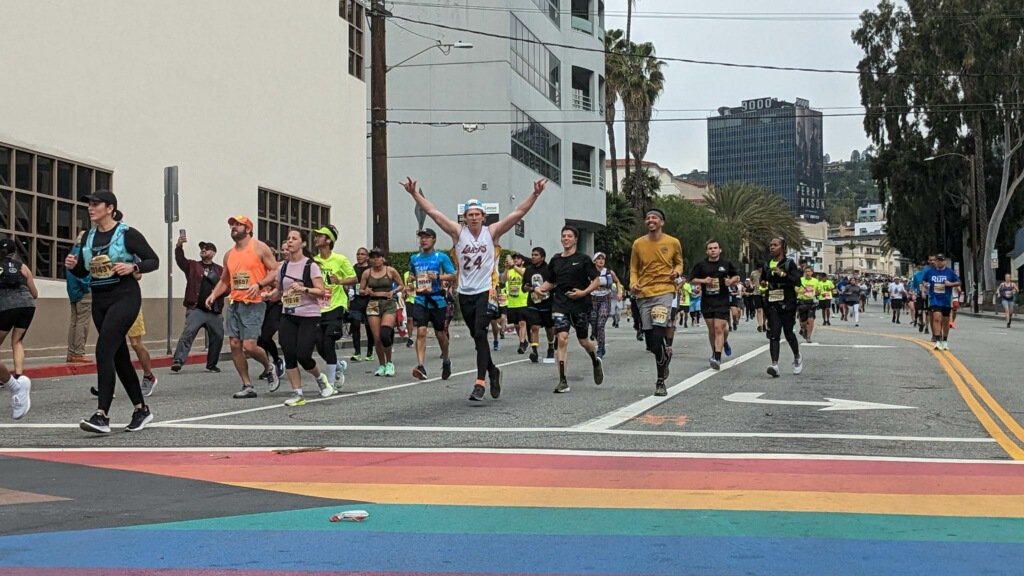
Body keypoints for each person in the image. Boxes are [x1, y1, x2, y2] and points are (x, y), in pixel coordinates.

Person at [404, 176, 546, 401]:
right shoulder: (458, 233)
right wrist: (414, 194)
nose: (473, 218)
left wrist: (535, 194)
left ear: (483, 216)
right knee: (477, 337)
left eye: (477, 215)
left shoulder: (492, 233)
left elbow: (518, 213)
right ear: (465, 218)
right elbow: (434, 213)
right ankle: (493, 371)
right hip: (465, 292)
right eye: (469, 215)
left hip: (485, 290)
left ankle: (480, 382)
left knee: (481, 333)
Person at [65, 190, 159, 433]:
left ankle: (101, 415)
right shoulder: (88, 237)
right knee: (118, 357)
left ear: (110, 208)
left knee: (103, 349)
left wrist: (133, 266)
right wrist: (74, 268)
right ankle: (141, 409)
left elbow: (153, 260)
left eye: (96, 204)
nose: (90, 208)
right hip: (100, 298)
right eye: (89, 204)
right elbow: (84, 273)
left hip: (125, 296)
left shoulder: (127, 233)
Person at [205, 215, 279, 399]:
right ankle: (247, 385)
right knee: (235, 345)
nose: (234, 227)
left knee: (250, 346)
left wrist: (260, 284)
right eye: (232, 225)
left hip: (254, 302)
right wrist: (214, 294)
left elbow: (275, 269)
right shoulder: (229, 254)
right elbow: (225, 279)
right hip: (235, 302)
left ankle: (269, 367)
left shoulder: (259, 248)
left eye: (238, 225)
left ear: (248, 228)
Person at [532, 225, 603, 393]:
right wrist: (540, 289)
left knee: (583, 340)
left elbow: (596, 280)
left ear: (575, 239)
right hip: (560, 302)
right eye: (563, 236)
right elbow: (551, 281)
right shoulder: (556, 260)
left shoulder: (584, 259)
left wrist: (583, 292)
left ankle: (595, 359)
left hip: (580, 303)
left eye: (569, 236)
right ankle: (562, 380)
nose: (566, 239)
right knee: (562, 338)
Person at [271, 229, 335, 405]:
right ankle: (297, 393)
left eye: (294, 239)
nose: (290, 241)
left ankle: (320, 378)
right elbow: (279, 290)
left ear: (303, 244)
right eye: (288, 238)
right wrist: (269, 295)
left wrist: (304, 289)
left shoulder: (310, 265)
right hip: (288, 314)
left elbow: (321, 291)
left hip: (309, 315)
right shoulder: (282, 267)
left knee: (303, 355)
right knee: (289, 353)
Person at [629, 208, 684, 397]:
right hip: (644, 293)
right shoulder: (638, 244)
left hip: (665, 291)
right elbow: (634, 268)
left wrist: (676, 272)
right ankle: (664, 356)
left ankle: (660, 381)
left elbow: (679, 263)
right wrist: (632, 283)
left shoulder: (673, 242)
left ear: (662, 222)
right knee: (652, 342)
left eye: (654, 218)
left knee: (659, 330)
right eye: (648, 218)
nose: (650, 220)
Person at [171, 235, 225, 373]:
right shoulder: (193, 266)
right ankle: (178, 360)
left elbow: (227, 288)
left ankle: (212, 364)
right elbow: (180, 260)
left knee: (218, 336)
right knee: (188, 333)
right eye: (202, 248)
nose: (203, 250)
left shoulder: (220, 270)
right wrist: (179, 246)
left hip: (214, 311)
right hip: (196, 309)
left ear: (213, 253)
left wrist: (217, 291)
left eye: (207, 248)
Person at [312, 225, 357, 388]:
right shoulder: (314, 261)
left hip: (336, 304)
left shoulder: (340, 259)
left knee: (329, 341)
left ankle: (330, 383)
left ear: (329, 240)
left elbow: (354, 278)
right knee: (319, 344)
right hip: (318, 307)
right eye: (315, 236)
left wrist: (339, 281)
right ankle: (337, 366)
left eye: (320, 236)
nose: (316, 238)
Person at [408, 228, 456, 380]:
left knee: (440, 333)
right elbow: (411, 274)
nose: (423, 240)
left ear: (434, 240)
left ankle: (446, 359)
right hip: (421, 299)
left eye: (427, 237)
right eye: (421, 237)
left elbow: (453, 276)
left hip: (437, 300)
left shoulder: (441, 257)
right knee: (421, 332)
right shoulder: (414, 258)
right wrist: (410, 281)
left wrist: (439, 277)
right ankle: (421, 366)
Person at [0, 238, 37, 419]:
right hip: (27, 305)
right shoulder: (22, 266)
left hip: (5, 307)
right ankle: (20, 375)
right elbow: (35, 293)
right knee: (17, 341)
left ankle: (15, 385)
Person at [689, 239, 739, 370]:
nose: (713, 250)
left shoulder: (726, 264)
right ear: (707, 251)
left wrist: (730, 281)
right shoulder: (701, 265)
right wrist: (703, 281)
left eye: (715, 248)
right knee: (712, 330)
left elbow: (736, 277)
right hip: (707, 301)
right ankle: (718, 347)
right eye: (710, 248)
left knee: (719, 328)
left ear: (720, 250)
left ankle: (717, 356)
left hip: (722, 300)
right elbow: (692, 280)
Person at [359, 247, 404, 377]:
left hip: (388, 304)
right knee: (377, 338)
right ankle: (382, 364)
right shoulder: (367, 273)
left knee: (385, 334)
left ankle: (390, 362)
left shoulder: (390, 271)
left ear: (383, 258)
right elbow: (360, 290)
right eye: (373, 257)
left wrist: (393, 292)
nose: (376, 259)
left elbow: (401, 285)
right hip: (373, 303)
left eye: (378, 257)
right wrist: (366, 291)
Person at [761, 237, 802, 377]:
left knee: (789, 333)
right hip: (772, 302)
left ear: (782, 247)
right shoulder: (766, 265)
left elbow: (797, 281)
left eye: (775, 245)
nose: (772, 247)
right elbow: (763, 281)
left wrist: (783, 274)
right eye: (770, 245)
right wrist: (762, 286)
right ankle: (774, 365)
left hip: (788, 303)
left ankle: (797, 357)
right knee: (774, 333)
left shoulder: (789, 264)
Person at [255, 241, 287, 390]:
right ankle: (268, 367)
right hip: (262, 303)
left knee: (267, 335)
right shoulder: (259, 267)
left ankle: (277, 360)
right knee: (260, 338)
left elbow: (281, 285)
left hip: (277, 304)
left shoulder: (279, 266)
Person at [524, 247, 559, 362]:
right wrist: (531, 288)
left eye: (536, 255)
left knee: (549, 328)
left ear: (542, 257)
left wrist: (545, 290)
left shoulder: (549, 270)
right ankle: (534, 351)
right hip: (533, 302)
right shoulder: (528, 270)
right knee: (534, 326)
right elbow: (524, 286)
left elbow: (555, 284)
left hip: (547, 302)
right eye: (532, 254)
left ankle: (550, 346)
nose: (533, 257)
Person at [924, 254, 960, 351]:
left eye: (941, 260)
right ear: (935, 261)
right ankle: (938, 340)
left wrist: (950, 284)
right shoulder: (930, 272)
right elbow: (924, 281)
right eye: (937, 260)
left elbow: (958, 282)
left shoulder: (949, 272)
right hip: (935, 299)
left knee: (945, 321)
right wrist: (926, 285)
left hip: (946, 300)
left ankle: (945, 340)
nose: (939, 262)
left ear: (944, 262)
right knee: (936, 318)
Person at [65, 231, 92, 363]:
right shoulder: (82, 253)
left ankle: (71, 353)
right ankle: (79, 352)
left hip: (73, 292)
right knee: (83, 323)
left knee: (74, 322)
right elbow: (84, 275)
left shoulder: (71, 252)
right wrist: (88, 287)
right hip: (83, 292)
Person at [589, 252, 620, 358]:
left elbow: (617, 282)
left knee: (600, 325)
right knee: (593, 323)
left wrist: (619, 293)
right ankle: (596, 336)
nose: (601, 261)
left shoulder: (609, 272)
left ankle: (601, 348)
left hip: (605, 298)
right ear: (594, 261)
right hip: (592, 299)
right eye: (598, 259)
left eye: (603, 258)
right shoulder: (590, 272)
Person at [348, 247, 375, 362]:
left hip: (369, 300)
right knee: (355, 325)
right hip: (356, 300)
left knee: (370, 327)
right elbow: (348, 281)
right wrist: (348, 289)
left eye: (362, 254)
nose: (359, 256)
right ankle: (357, 352)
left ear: (367, 257)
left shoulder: (371, 269)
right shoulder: (353, 269)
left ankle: (370, 352)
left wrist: (370, 289)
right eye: (358, 254)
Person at [503, 253, 530, 355]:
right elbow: (503, 280)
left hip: (523, 301)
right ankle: (524, 341)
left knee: (522, 323)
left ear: (522, 261)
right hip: (512, 303)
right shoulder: (510, 272)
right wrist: (506, 268)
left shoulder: (524, 270)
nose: (515, 260)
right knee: (516, 325)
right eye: (514, 259)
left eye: (518, 259)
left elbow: (525, 275)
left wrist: (513, 266)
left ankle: (522, 344)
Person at [796, 266, 819, 344]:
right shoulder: (800, 280)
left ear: (812, 272)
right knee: (803, 321)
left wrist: (816, 293)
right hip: (802, 302)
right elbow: (795, 289)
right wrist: (802, 291)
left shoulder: (815, 281)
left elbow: (818, 291)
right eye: (806, 271)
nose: (807, 273)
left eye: (809, 271)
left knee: (811, 319)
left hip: (811, 302)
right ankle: (803, 329)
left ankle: (809, 336)